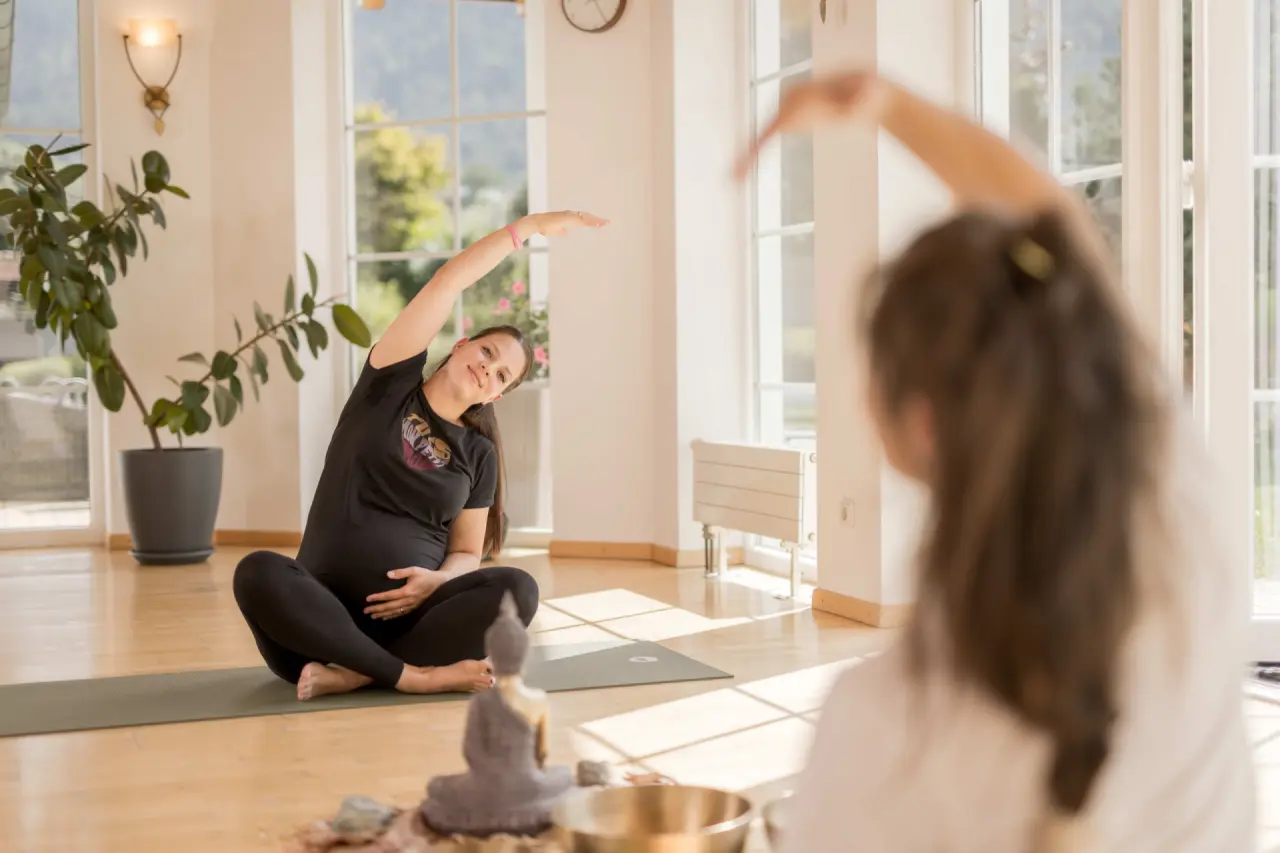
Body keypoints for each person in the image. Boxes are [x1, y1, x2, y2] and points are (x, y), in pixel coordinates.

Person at [737, 73, 1255, 851]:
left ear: (920, 425)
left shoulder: (889, 728)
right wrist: (889, 104)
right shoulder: (1181, 509)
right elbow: (1062, 234)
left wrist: (882, 105)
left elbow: (1059, 237)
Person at [233, 210, 609, 702]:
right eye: (489, 354)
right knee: (257, 571)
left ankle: (363, 672)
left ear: (496, 398)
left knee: (519, 589)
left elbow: (467, 554)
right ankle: (414, 676)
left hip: (412, 627)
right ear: (462, 345)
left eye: (501, 378)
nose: (488, 371)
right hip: (311, 633)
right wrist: (529, 227)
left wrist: (437, 582)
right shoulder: (388, 384)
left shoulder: (479, 454)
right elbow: (449, 281)